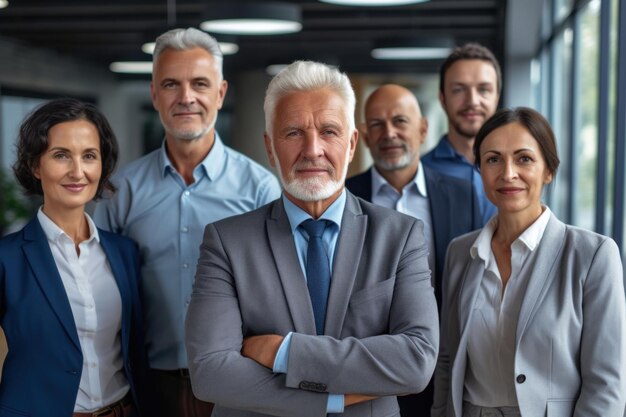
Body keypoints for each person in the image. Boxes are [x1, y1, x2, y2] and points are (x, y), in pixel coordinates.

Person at [185, 61, 439, 417]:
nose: (312, 150)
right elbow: (211, 374)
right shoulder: (226, 241)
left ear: (351, 145)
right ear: (270, 148)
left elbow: (415, 361)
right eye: (293, 133)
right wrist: (330, 400)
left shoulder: (401, 236)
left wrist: (284, 352)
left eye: (329, 131)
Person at [93, 27, 281, 417]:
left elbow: (276, 294)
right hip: (146, 384)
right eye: (171, 84)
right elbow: (100, 294)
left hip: (235, 382)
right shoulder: (120, 191)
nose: (186, 98)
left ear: (221, 93)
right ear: (154, 94)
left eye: (199, 83)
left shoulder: (260, 188)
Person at [432, 107, 626, 417]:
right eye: (493, 159)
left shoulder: (593, 255)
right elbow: (447, 360)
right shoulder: (461, 252)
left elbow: (606, 384)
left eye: (524, 159)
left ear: (548, 170)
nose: (508, 173)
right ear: (479, 170)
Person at [346, 84, 485, 417]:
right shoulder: (343, 197)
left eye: (399, 121)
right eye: (377, 124)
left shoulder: (463, 194)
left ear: (423, 129)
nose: (389, 133)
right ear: (363, 136)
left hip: (445, 365)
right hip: (367, 369)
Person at [0, 98, 146, 417]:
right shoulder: (6, 259)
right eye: (61, 155)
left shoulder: (125, 252)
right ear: (36, 165)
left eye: (89, 156)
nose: (77, 171)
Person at [421, 43, 500, 224]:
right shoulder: (420, 174)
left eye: (483, 90)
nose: (472, 101)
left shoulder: (518, 171)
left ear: (496, 97)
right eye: (458, 90)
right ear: (443, 99)